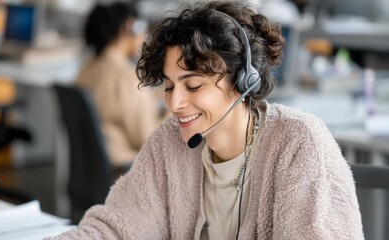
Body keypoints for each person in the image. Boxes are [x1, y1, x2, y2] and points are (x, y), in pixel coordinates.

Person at [47, 1, 364, 239]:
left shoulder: (297, 142)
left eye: (193, 85)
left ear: (243, 81)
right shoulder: (169, 142)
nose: (174, 102)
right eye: (169, 86)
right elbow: (114, 228)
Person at [75, 1, 166, 168]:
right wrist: (173, 110)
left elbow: (112, 101)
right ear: (130, 26)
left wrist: (154, 95)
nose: (145, 35)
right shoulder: (125, 78)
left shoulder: (87, 68)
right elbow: (150, 139)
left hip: (92, 167)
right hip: (124, 169)